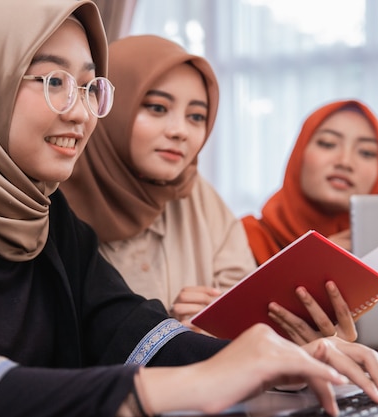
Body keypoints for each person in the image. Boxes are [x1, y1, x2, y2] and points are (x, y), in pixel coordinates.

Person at [0, 1, 378, 415]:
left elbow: (134, 332)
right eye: (55, 80)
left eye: (88, 88)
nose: (81, 114)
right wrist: (160, 391)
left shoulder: (51, 225)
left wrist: (277, 360)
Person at [60, 34, 257, 330]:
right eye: (157, 108)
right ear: (105, 103)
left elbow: (246, 304)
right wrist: (165, 335)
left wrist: (219, 320)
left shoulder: (198, 196)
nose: (181, 131)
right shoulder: (50, 199)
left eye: (196, 116)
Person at [241, 99, 378, 326]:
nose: (345, 162)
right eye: (327, 144)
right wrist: (311, 262)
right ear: (298, 156)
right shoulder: (241, 241)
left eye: (366, 152)